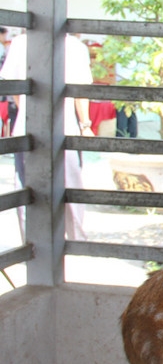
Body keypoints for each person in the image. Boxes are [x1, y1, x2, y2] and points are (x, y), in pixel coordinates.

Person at [0, 32, 93, 241]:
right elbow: (80, 91)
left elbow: (16, 90)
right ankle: (74, 240)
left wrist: (25, 111)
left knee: (29, 187)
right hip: (65, 128)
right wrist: (85, 123)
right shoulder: (74, 46)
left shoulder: (19, 43)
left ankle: (33, 242)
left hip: (28, 127)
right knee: (70, 185)